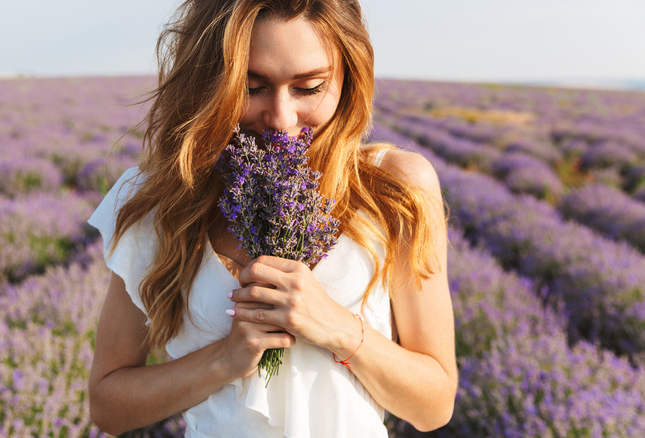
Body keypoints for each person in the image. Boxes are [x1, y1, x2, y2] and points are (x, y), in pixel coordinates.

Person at [87, 1, 457, 436]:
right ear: (209, 83)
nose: (281, 120)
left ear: (348, 78)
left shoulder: (394, 190)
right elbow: (107, 406)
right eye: (251, 86)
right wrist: (224, 359)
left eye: (309, 87)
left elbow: (434, 407)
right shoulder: (163, 200)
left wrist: (339, 329)